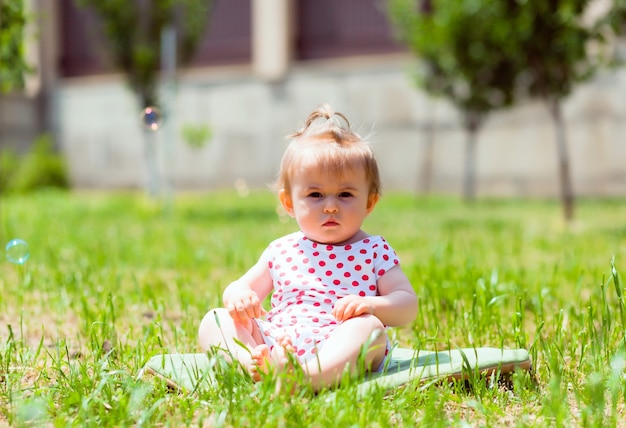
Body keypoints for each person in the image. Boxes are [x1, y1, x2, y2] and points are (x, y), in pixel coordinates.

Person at [198, 104, 418, 391]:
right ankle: (250, 362)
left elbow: (407, 305)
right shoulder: (281, 250)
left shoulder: (374, 250)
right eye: (315, 194)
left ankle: (306, 378)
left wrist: (372, 306)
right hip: (277, 338)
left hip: (338, 341)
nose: (330, 206)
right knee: (216, 318)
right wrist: (238, 295)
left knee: (369, 329)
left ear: (369, 202)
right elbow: (241, 287)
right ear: (289, 203)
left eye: (345, 194)